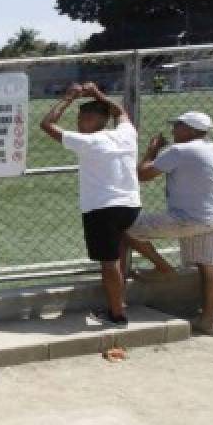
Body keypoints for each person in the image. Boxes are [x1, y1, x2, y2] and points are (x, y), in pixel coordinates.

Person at [39, 83, 140, 326]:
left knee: (109, 262)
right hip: (131, 205)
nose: (79, 122)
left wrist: (69, 97)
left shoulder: (89, 142)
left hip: (102, 208)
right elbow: (120, 113)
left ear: (98, 120)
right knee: (118, 254)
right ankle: (119, 302)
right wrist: (97, 94)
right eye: (79, 117)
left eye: (85, 118)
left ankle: (117, 313)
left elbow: (47, 124)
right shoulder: (125, 134)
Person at [127, 112, 213, 335]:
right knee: (210, 266)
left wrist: (153, 149)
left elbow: (142, 174)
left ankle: (163, 268)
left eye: (178, 126)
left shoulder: (180, 150)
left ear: (191, 130)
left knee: (125, 228)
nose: (174, 130)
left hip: (189, 218)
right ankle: (209, 320)